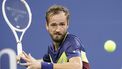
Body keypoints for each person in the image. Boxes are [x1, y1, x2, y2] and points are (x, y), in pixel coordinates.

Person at [19, 5, 90, 69]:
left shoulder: (71, 42)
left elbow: (76, 66)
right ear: (47, 26)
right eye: (53, 25)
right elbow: (39, 63)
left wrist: (41, 65)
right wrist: (24, 60)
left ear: (67, 25)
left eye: (62, 24)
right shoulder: (51, 48)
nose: (58, 29)